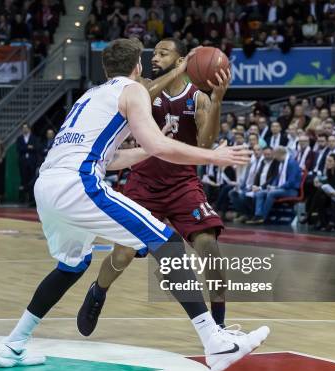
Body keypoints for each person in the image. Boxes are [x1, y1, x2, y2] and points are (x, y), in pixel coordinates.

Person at [0, 38, 267, 371]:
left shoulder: (91, 95)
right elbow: (161, 146)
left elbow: (114, 157)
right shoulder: (133, 90)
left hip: (48, 185)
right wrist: (214, 156)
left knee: (71, 266)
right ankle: (215, 342)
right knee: (166, 242)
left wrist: (151, 148)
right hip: (79, 183)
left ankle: (14, 344)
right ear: (137, 65)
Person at [79, 38, 234, 335]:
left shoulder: (196, 98)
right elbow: (147, 93)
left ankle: (219, 321)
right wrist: (177, 71)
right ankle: (98, 291)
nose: (155, 57)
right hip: (143, 181)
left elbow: (206, 143)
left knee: (208, 246)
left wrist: (217, 101)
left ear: (179, 59)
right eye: (155, 53)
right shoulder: (145, 86)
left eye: (164, 53)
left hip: (182, 183)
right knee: (123, 254)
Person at [247, 146, 302, 224]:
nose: (274, 157)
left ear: (279, 154)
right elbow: (277, 178)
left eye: (275, 155)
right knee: (260, 193)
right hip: (281, 189)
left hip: (291, 190)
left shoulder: (291, 163)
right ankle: (257, 215)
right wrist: (272, 186)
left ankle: (263, 217)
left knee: (271, 193)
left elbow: (291, 182)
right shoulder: (281, 163)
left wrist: (277, 187)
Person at [16, 123, 39, 204]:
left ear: (29, 129)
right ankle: (22, 199)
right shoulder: (19, 138)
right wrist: (28, 147)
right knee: (23, 180)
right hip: (23, 162)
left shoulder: (34, 138)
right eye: (23, 128)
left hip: (32, 162)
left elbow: (36, 148)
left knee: (31, 180)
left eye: (26, 128)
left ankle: (31, 199)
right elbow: (19, 149)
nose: (24, 129)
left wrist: (25, 148)